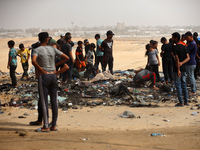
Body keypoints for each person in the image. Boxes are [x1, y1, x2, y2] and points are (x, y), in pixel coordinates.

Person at [31, 32, 69, 132]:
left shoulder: (37, 50)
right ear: (47, 39)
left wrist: (40, 69)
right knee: (54, 101)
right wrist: (55, 66)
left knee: (44, 101)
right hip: (53, 75)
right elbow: (66, 57)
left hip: (44, 76)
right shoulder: (53, 49)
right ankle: (54, 125)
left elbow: (33, 61)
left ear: (39, 39)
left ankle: (46, 126)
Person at [172, 32, 190, 107]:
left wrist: (178, 69)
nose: (172, 39)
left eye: (173, 37)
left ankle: (181, 102)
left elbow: (177, 59)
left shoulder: (175, 47)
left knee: (178, 85)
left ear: (176, 38)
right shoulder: (184, 47)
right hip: (184, 68)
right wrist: (182, 63)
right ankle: (186, 101)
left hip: (178, 69)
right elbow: (188, 58)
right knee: (184, 84)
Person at [185, 31, 197, 95]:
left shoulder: (192, 44)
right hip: (191, 62)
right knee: (191, 76)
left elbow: (185, 51)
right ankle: (194, 90)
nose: (186, 39)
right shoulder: (191, 43)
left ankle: (194, 91)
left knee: (191, 77)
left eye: (187, 37)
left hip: (190, 62)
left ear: (191, 37)